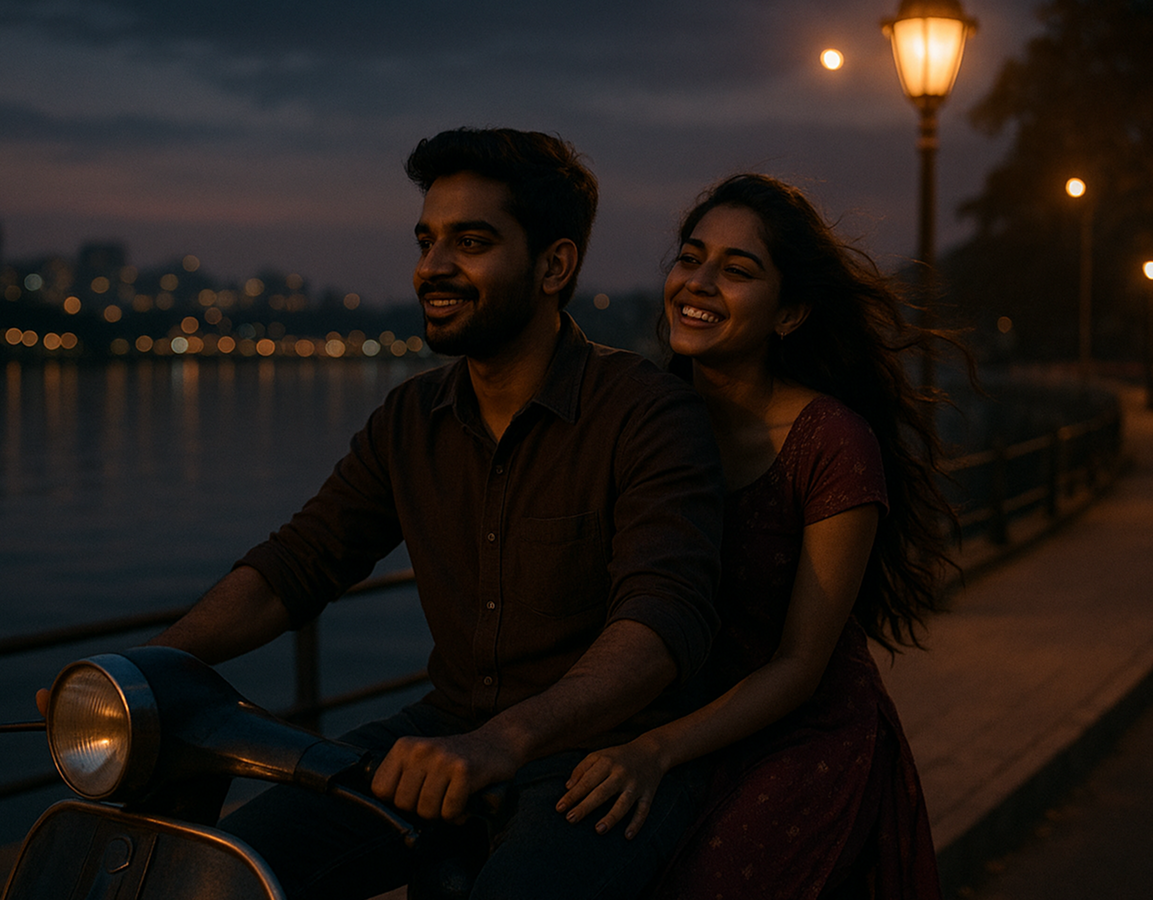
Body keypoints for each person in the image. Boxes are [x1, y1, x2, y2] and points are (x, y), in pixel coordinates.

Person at [88, 128, 729, 900]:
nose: (434, 267)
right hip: (447, 730)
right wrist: (137, 679)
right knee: (217, 874)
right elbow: (297, 567)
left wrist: (505, 741)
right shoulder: (411, 418)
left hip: (607, 755)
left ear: (555, 265)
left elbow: (661, 625)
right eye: (427, 241)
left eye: (472, 241)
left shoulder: (647, 413)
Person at [556, 173, 956, 899]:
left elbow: (802, 665)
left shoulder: (831, 441)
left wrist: (654, 750)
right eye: (690, 258)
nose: (699, 283)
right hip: (674, 715)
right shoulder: (649, 420)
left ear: (791, 312)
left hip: (800, 734)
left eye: (737, 271)